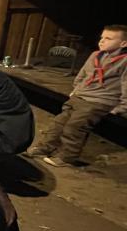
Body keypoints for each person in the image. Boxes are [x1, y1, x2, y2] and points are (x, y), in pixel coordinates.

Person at [26, 24, 127, 167]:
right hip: (80, 96)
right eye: (101, 37)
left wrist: (121, 108)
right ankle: (44, 147)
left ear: (123, 43)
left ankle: (67, 157)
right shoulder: (95, 55)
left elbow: (126, 85)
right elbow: (83, 75)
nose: (102, 41)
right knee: (59, 123)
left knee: (75, 126)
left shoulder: (124, 61)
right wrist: (77, 90)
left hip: (99, 100)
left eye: (108, 38)